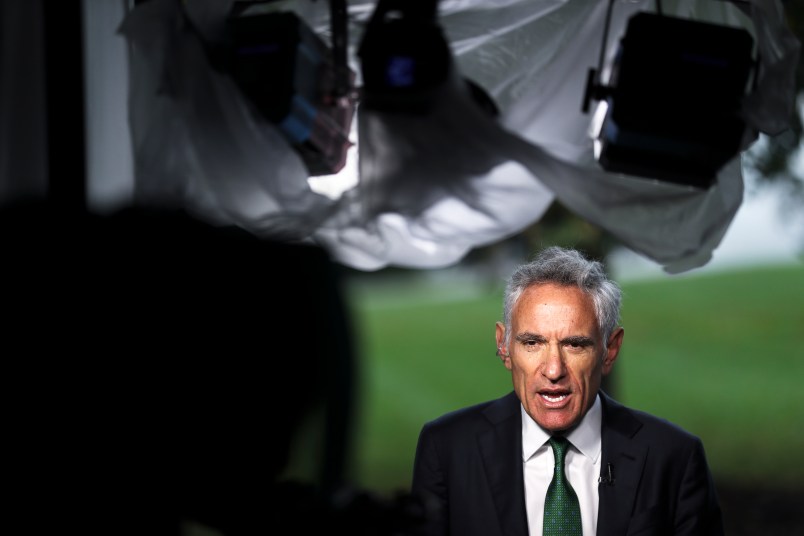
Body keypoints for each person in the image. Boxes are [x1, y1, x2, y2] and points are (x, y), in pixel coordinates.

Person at [410, 246, 724, 536]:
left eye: (574, 344)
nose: (553, 370)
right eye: (532, 343)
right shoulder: (446, 448)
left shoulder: (674, 457)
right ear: (503, 346)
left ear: (609, 350)